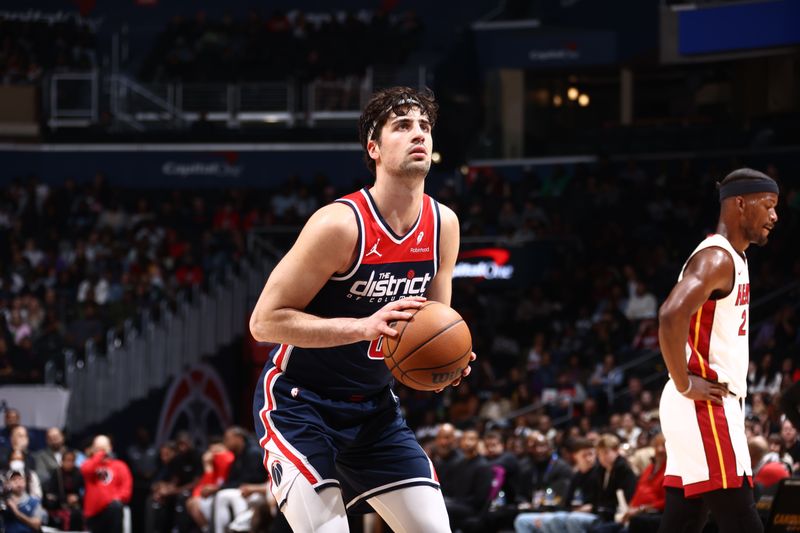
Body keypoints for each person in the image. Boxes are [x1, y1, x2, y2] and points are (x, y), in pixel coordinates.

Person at [250, 86, 474, 532]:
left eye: (425, 127)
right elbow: (264, 322)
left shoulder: (443, 224)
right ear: (373, 148)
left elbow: (432, 323)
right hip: (301, 404)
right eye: (402, 126)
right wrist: (363, 326)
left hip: (374, 411)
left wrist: (446, 365)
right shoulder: (339, 224)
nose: (418, 135)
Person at [657, 168, 779, 533]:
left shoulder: (736, 258)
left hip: (704, 403)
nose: (775, 216)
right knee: (743, 520)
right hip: (704, 404)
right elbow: (670, 315)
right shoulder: (717, 258)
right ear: (740, 204)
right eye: (769, 205)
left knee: (685, 518)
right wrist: (683, 383)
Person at [80, 434, 133, 533]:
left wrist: (114, 499)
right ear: (93, 449)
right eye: (98, 448)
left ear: (110, 448)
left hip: (112, 511)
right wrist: (98, 456)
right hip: (94, 514)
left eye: (103, 448)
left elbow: (126, 490)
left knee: (116, 507)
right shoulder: (88, 464)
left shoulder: (120, 466)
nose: (101, 451)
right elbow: (86, 471)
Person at [1, 469, 47, 533]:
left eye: (20, 479)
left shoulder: (34, 502)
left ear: (25, 481)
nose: (17, 482)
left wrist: (16, 512)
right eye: (14, 479)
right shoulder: (4, 502)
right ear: (8, 483)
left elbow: (36, 525)